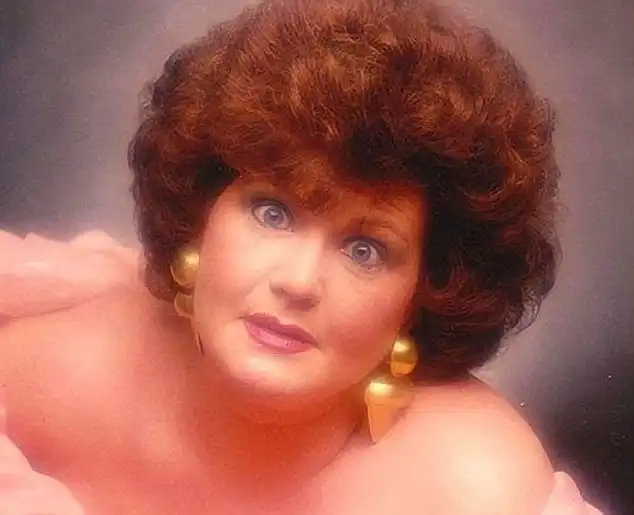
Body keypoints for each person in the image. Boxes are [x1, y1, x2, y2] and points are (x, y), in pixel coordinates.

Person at [0, 0, 604, 513]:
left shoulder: (472, 486)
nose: (299, 281)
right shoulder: (47, 372)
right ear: (202, 215)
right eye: (273, 213)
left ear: (423, 294)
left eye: (365, 250)